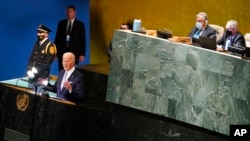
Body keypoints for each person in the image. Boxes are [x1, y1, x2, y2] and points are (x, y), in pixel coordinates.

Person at [54, 5, 86, 72]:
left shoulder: (80, 24)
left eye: (70, 12)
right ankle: (62, 82)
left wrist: (82, 54)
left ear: (74, 12)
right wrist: (55, 53)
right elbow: (57, 38)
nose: (69, 14)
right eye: (67, 12)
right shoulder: (61, 23)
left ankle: (71, 82)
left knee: (73, 70)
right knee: (62, 69)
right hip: (62, 51)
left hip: (74, 52)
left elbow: (82, 40)